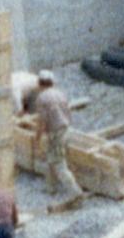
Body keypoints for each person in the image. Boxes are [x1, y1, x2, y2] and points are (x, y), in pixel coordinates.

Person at [21, 70, 83, 204]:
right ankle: (50, 187)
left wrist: (37, 138)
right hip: (66, 129)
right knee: (51, 159)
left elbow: (42, 122)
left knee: (59, 163)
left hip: (56, 133)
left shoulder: (42, 98)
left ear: (39, 83)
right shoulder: (60, 94)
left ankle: (76, 192)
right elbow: (68, 113)